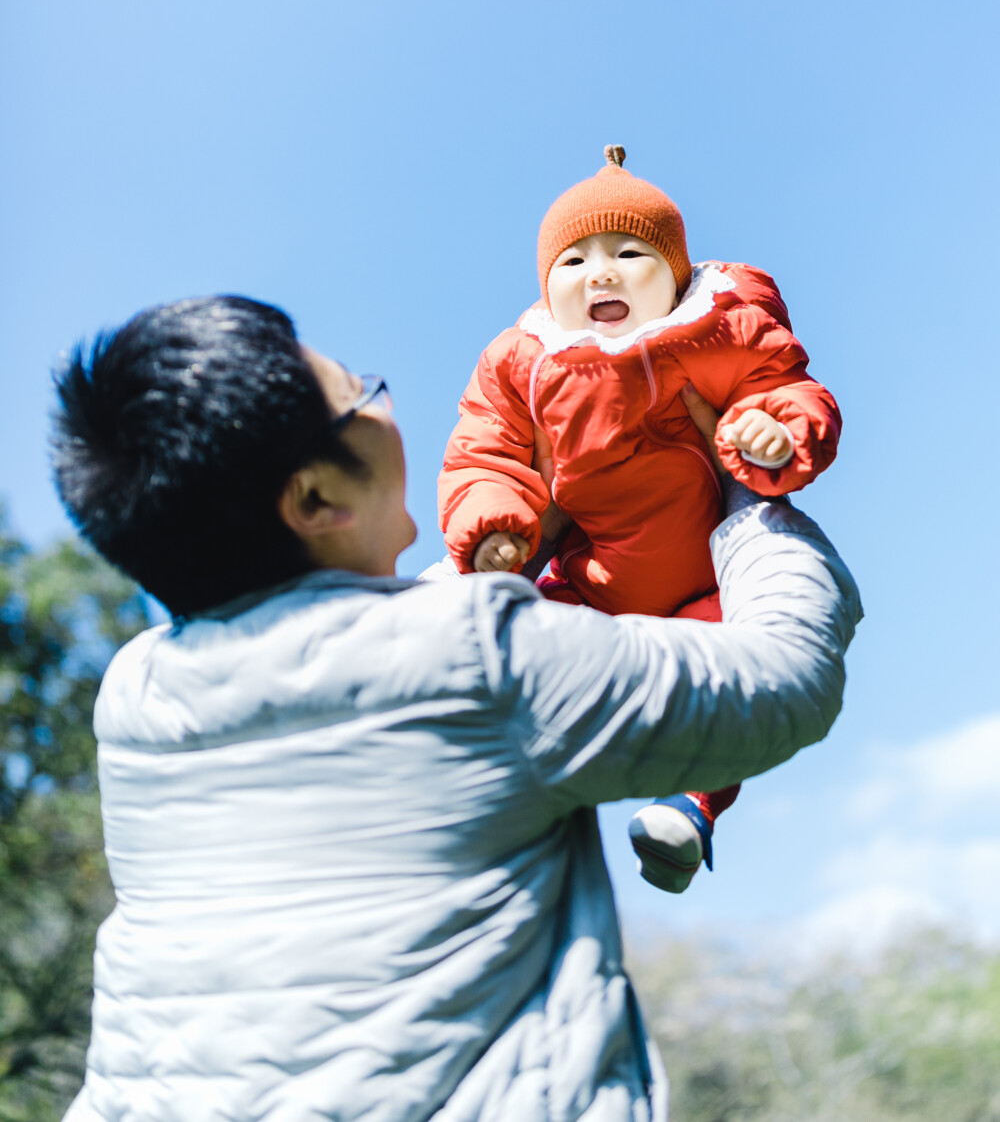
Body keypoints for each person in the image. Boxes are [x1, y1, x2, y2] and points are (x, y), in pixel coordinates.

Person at [52, 294, 860, 1122]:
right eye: (364, 396)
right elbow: (783, 678)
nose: (390, 408)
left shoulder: (138, 696)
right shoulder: (483, 657)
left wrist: (534, 530)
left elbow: (374, 649)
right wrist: (744, 497)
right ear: (317, 497)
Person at [439, 146, 841, 891]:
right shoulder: (520, 363)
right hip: (589, 580)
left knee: (728, 670)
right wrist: (497, 524)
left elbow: (790, 388)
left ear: (678, 272)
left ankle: (686, 813)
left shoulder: (718, 331)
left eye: (630, 252)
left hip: (706, 580)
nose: (602, 273)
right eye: (575, 261)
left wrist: (771, 431)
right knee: (509, 650)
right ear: (546, 286)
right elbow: (483, 451)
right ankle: (500, 800)